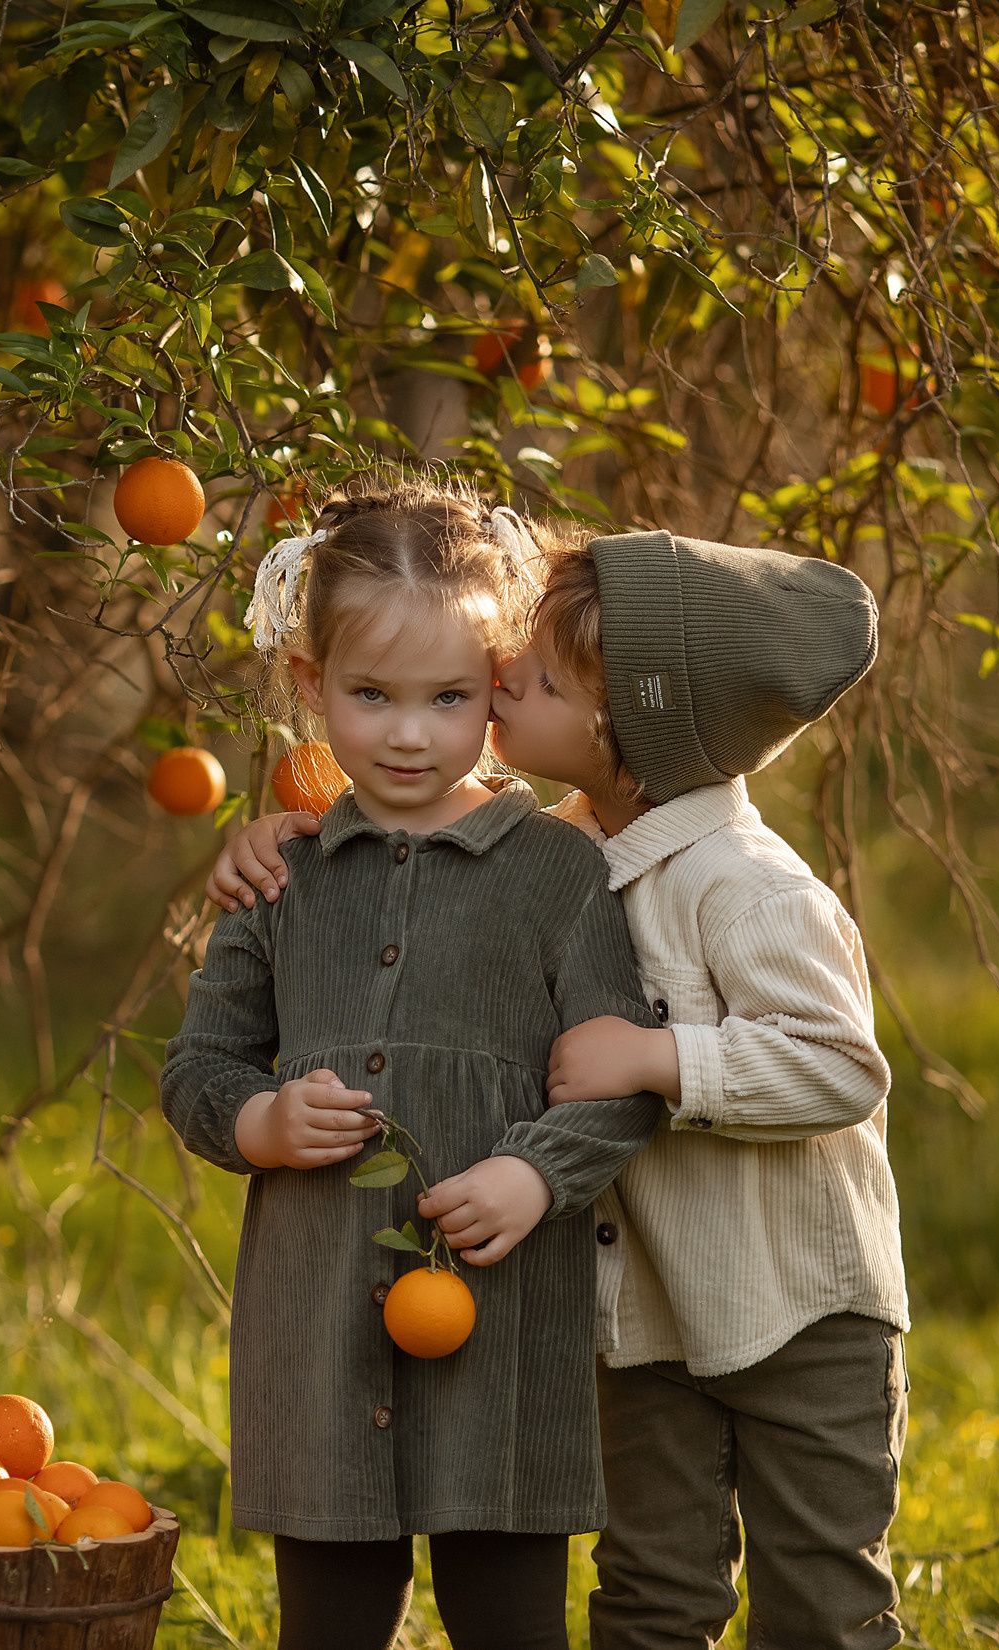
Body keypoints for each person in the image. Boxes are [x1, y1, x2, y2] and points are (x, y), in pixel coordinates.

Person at [209, 525, 909, 1650]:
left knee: (820, 1598)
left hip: (796, 1308)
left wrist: (658, 1059)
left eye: (527, 679)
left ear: (625, 728)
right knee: (651, 1595)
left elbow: (842, 1065)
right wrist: (289, 829)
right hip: (649, 1318)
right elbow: (416, 834)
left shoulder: (745, 887)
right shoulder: (570, 844)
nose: (498, 687)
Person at [160, 481, 665, 1650]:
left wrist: (536, 1175)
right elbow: (197, 1069)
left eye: (447, 699)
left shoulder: (557, 873)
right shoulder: (282, 874)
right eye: (368, 695)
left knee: (510, 1620)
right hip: (319, 1321)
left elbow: (617, 1079)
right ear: (307, 687)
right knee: (328, 1625)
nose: (405, 733)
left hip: (503, 1323)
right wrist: (261, 1124)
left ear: (497, 688)